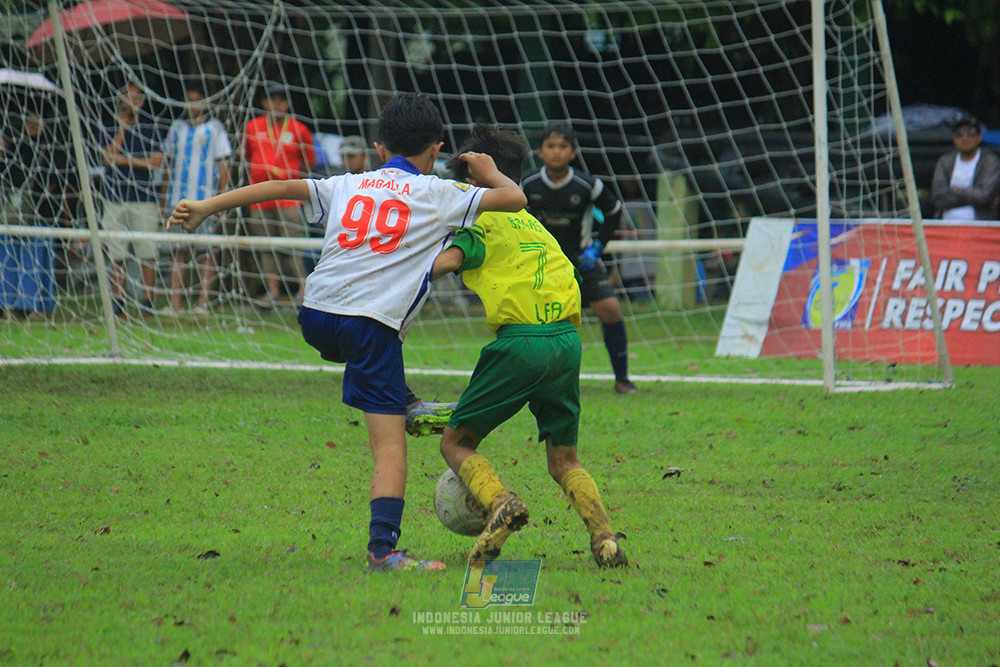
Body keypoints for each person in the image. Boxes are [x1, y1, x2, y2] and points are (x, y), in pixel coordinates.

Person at [167, 93, 526, 572]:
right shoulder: (441, 194)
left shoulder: (348, 183)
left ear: (379, 148)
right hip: (368, 325)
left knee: (371, 363)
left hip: (315, 316)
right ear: (438, 150)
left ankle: (402, 396)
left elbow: (279, 186)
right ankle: (385, 551)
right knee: (390, 443)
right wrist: (484, 169)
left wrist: (208, 206)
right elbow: (516, 199)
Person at [430, 124, 628, 568]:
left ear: (476, 179)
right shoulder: (534, 223)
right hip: (566, 342)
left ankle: (501, 502)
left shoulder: (481, 222)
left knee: (456, 443)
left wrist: (408, 266)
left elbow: (451, 260)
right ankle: (604, 537)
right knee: (563, 459)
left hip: (521, 344)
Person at [521, 124, 638, 394]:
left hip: (580, 260)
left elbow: (614, 211)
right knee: (535, 320)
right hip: (542, 262)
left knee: (610, 308)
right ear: (540, 152)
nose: (556, 152)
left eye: (563, 147)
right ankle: (535, 380)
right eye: (550, 146)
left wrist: (596, 248)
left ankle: (622, 379)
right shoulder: (527, 184)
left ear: (573, 153)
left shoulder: (588, 184)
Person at [160, 85, 233, 316]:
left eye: (196, 101)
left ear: (205, 103)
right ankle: (176, 304)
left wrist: (222, 198)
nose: (192, 106)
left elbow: (224, 166)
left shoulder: (215, 129)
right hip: (178, 200)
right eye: (188, 101)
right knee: (177, 252)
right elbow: (168, 164)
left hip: (206, 201)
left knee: (205, 252)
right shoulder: (177, 129)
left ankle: (202, 303)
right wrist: (163, 197)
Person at [241, 82, 315, 305]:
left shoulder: (298, 128)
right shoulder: (253, 127)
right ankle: (272, 291)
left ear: (287, 104)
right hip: (260, 198)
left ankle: (303, 290)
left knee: (295, 242)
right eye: (272, 100)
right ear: (264, 103)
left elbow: (308, 162)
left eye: (281, 100)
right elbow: (246, 156)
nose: (277, 105)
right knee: (266, 245)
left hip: (289, 198)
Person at [0, 110, 74, 318]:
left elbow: (62, 179)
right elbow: (9, 178)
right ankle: (8, 304)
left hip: (42, 214)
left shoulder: (54, 147)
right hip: (14, 213)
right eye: (28, 120)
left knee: (36, 259)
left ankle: (35, 305)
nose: (31, 124)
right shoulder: (16, 148)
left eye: (36, 120)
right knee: (9, 257)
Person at [100, 82, 163, 317]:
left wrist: (122, 160)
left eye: (137, 98)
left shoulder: (150, 128)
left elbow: (155, 162)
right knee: (117, 253)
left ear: (143, 102)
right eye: (128, 97)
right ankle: (118, 301)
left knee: (147, 252)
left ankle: (147, 301)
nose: (132, 102)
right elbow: (107, 158)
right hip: (114, 198)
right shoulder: (108, 127)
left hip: (144, 198)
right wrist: (122, 129)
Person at [931, 116, 1000, 221]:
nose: (965, 138)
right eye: (959, 134)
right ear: (954, 138)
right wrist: (976, 198)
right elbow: (938, 199)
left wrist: (956, 190)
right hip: (945, 227)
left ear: (979, 138)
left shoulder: (990, 161)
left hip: (980, 228)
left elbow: (985, 196)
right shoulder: (945, 161)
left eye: (970, 133)